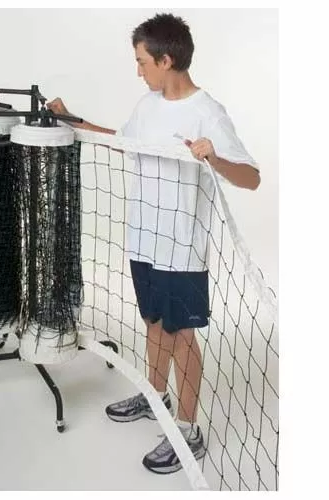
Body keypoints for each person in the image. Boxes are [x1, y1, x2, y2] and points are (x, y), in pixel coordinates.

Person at [47, 12, 260, 475]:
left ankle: (187, 429)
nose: (138, 70)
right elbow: (122, 141)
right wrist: (70, 119)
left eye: (142, 61)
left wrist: (214, 156)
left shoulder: (208, 112)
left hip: (182, 251)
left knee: (182, 336)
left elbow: (252, 178)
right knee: (153, 322)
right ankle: (155, 396)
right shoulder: (147, 105)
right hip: (143, 241)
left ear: (166, 60)